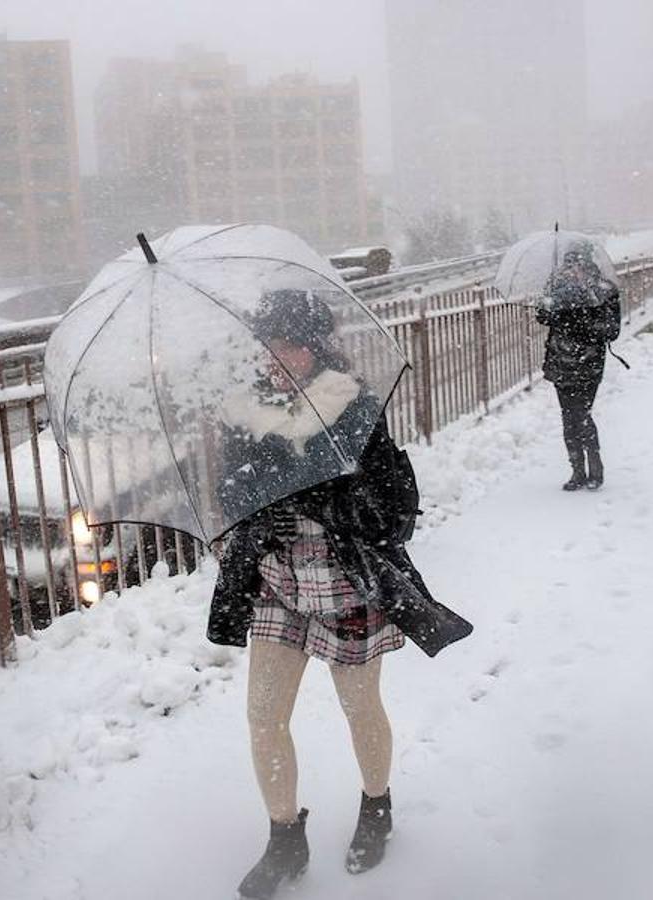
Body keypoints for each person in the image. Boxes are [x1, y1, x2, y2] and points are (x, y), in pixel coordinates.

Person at [209, 289, 473, 900]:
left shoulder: (351, 405)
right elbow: (227, 493)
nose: (281, 355)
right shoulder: (241, 411)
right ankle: (284, 838)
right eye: (271, 343)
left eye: (293, 343)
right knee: (263, 715)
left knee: (359, 706)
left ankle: (376, 806)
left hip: (346, 579)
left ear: (316, 346)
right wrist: (256, 506)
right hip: (276, 581)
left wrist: (329, 498)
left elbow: (395, 506)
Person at [536, 243, 622, 491]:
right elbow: (542, 316)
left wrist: (581, 322)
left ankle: (595, 468)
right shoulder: (556, 288)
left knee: (582, 414)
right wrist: (554, 308)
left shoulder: (604, 290)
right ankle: (577, 471)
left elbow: (612, 330)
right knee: (568, 417)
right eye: (569, 264)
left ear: (588, 264)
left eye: (578, 264)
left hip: (589, 363)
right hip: (561, 362)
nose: (574, 270)